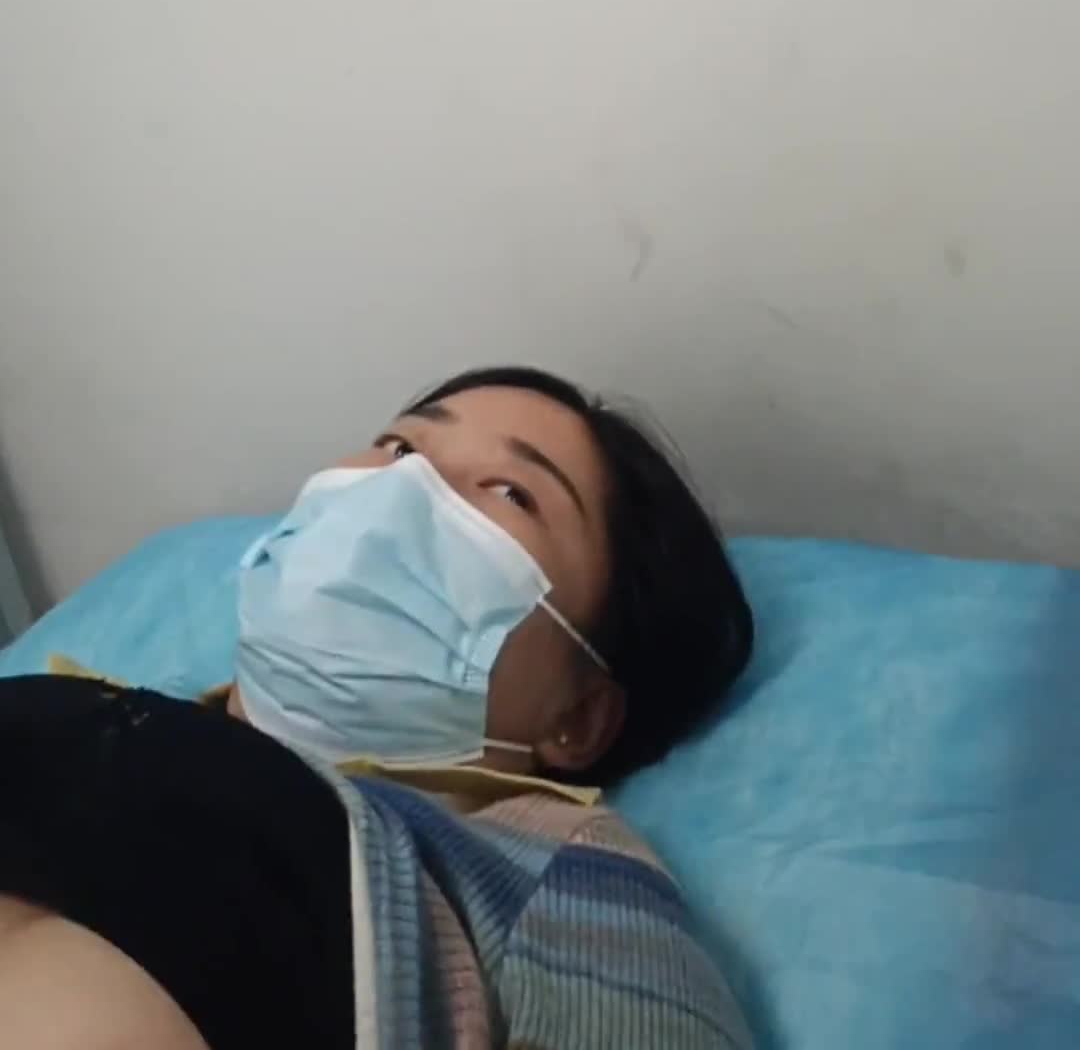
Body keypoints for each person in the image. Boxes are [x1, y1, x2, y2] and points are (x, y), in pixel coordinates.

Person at [0, 365, 755, 1049]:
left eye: (511, 493)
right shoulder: (104, 702)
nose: (409, 481)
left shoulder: (553, 862)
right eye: (398, 447)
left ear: (579, 716)